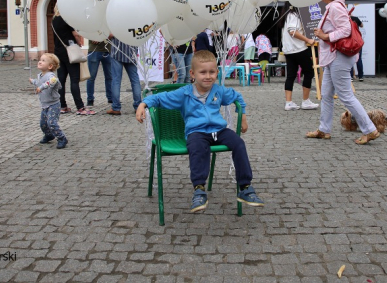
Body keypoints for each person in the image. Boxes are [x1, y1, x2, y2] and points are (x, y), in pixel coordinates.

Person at [135, 50, 264, 213]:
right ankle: (199, 189)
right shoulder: (184, 93)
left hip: (219, 130)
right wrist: (143, 104)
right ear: (193, 73)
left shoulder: (219, 91)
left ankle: (245, 187)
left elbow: (237, 97)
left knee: (238, 143)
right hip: (197, 132)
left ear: (217, 72)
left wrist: (243, 116)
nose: (207, 76)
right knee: (196, 148)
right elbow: (159, 98)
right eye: (203, 72)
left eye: (211, 72)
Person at [309, 0, 380, 145]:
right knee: (326, 94)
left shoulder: (334, 7)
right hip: (334, 57)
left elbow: (346, 29)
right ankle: (324, 129)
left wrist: (326, 36)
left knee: (345, 95)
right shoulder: (336, 6)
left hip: (337, 56)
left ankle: (370, 129)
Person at [52, 7, 95, 115]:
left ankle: (62, 106)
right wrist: (79, 42)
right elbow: (75, 33)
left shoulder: (53, 20)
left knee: (61, 80)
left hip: (58, 52)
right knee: (74, 80)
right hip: (70, 52)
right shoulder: (66, 19)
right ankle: (80, 107)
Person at [280, 2, 319, 111]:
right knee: (308, 72)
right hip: (298, 48)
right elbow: (293, 31)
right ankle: (305, 101)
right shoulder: (293, 15)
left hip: (289, 50)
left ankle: (288, 102)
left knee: (291, 75)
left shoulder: (287, 15)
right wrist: (308, 40)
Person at [29, 53, 68, 149]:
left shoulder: (51, 75)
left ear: (50, 66)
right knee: (43, 123)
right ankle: (49, 135)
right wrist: (33, 81)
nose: (40, 61)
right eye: (40, 59)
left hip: (54, 104)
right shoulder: (40, 75)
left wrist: (41, 87)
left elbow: (52, 81)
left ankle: (62, 138)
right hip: (44, 105)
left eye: (43, 60)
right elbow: (39, 82)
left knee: (51, 122)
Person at [107, 36, 142, 115]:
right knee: (135, 80)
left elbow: (110, 35)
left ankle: (116, 107)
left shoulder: (114, 23)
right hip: (131, 52)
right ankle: (138, 106)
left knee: (116, 80)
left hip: (117, 53)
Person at [86, 40, 113, 107]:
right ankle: (90, 99)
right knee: (91, 77)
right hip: (94, 50)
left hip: (107, 50)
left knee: (109, 77)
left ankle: (111, 98)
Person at [349, 15, 364, 82]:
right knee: (359, 59)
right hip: (357, 41)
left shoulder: (345, 19)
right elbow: (361, 25)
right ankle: (360, 76)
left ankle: (351, 76)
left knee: (350, 59)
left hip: (350, 41)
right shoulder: (355, 18)